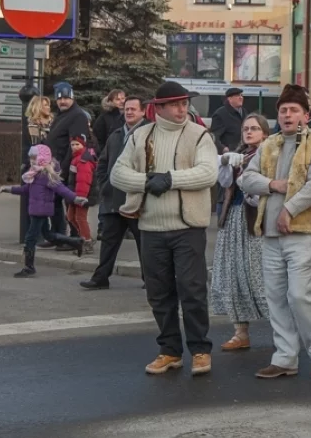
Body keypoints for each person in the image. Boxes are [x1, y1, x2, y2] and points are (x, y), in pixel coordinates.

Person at [111, 81, 219, 376]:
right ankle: (170, 350)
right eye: (175, 104)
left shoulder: (199, 135)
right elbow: (118, 174)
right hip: (151, 226)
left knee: (192, 290)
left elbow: (209, 172)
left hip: (188, 227)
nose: (182, 109)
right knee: (159, 294)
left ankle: (199, 349)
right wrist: (147, 182)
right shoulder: (140, 135)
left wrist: (169, 179)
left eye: (184, 103)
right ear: (158, 108)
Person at [238, 84, 311, 380]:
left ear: (306, 115)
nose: (288, 115)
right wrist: (272, 185)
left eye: (294, 110)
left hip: (304, 231)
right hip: (269, 233)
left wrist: (289, 209)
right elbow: (246, 178)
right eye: (283, 111)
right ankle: (284, 358)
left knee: (299, 296)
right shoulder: (270, 144)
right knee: (275, 297)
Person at [211, 113, 271, 351]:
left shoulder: (268, 155)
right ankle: (240, 332)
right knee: (232, 272)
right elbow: (225, 183)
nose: (249, 132)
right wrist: (225, 162)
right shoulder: (240, 154)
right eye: (246, 128)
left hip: (255, 220)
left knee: (257, 274)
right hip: (233, 217)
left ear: (264, 133)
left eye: (255, 128)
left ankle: (283, 331)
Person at [80, 96, 148, 290]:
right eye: (127, 109)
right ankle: (101, 278)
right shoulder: (116, 135)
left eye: (133, 109)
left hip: (137, 200)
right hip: (113, 200)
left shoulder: (149, 135)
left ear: (143, 112)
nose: (129, 112)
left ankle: (149, 280)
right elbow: (102, 162)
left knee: (144, 243)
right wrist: (105, 185)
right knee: (109, 242)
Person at [3, 145, 87, 277]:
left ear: (42, 158)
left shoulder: (46, 174)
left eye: (34, 158)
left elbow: (61, 189)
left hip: (40, 211)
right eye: (30, 158)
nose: (31, 161)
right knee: (48, 235)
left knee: (30, 238)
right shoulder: (34, 173)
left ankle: (29, 267)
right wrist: (10, 189)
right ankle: (76, 242)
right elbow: (26, 190)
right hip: (36, 209)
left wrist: (76, 199)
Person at [43, 82, 90, 248]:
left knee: (70, 204)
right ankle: (58, 236)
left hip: (68, 169)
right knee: (54, 202)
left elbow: (76, 144)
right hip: (56, 168)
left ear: (72, 97)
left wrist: (62, 168)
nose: (62, 101)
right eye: (59, 98)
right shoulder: (62, 115)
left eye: (66, 97)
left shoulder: (77, 116)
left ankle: (74, 239)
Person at [67, 134, 98, 254]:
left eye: (77, 144)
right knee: (71, 217)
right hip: (76, 194)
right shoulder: (77, 158)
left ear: (83, 145)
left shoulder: (83, 160)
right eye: (72, 144)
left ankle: (87, 241)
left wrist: (80, 197)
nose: (74, 147)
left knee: (80, 218)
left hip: (80, 195)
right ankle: (84, 237)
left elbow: (83, 181)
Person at [210, 87, 248, 155]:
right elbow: (214, 136)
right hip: (228, 154)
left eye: (241, 95)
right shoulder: (220, 114)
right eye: (237, 96)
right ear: (229, 99)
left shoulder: (244, 112)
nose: (241, 97)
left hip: (243, 151)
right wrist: (223, 148)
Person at [92, 89, 126, 155]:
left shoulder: (129, 115)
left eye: (123, 98)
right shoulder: (104, 117)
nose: (121, 101)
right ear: (111, 101)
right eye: (117, 99)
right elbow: (98, 139)